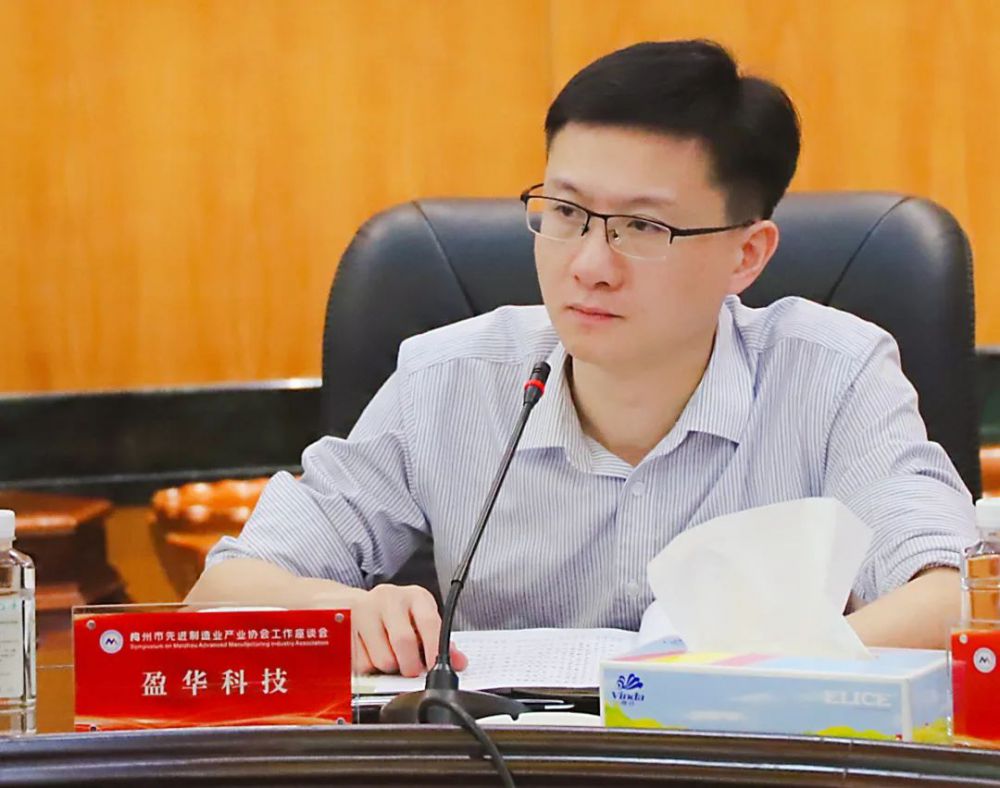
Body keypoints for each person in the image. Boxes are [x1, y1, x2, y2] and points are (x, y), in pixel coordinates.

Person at [187, 40, 976, 676]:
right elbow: (221, 592)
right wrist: (346, 611)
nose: (590, 265)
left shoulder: (834, 376)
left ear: (747, 255)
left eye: (643, 228)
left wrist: (751, 677)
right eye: (565, 212)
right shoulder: (447, 381)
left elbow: (957, 601)